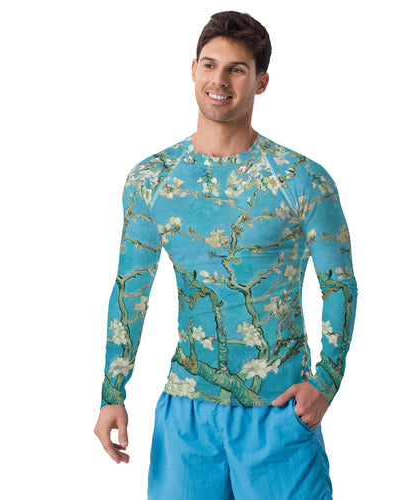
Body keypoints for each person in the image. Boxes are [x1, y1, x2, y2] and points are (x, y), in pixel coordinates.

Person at [94, 10, 358, 500]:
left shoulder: (301, 179)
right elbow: (131, 288)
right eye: (210, 65)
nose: (219, 80)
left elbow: (339, 285)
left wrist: (327, 381)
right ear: (193, 69)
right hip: (186, 411)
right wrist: (113, 392)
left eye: (237, 69)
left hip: (278, 410)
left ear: (261, 82)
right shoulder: (152, 180)